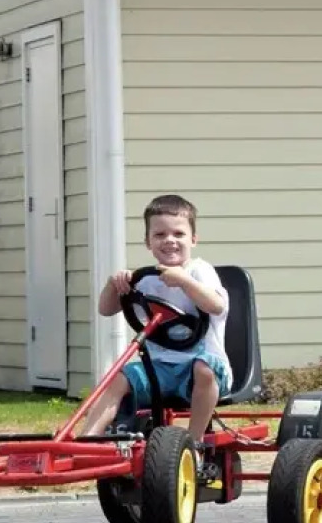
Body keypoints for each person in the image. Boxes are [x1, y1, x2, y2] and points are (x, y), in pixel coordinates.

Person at [81, 194, 232, 463]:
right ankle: (87, 440)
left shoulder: (200, 271)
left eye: (178, 234)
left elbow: (216, 305)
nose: (169, 240)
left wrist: (185, 282)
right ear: (148, 242)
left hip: (203, 367)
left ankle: (194, 443)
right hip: (157, 367)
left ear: (193, 239)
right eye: (160, 234)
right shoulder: (145, 279)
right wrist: (114, 285)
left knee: (203, 369)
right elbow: (106, 309)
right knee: (119, 377)